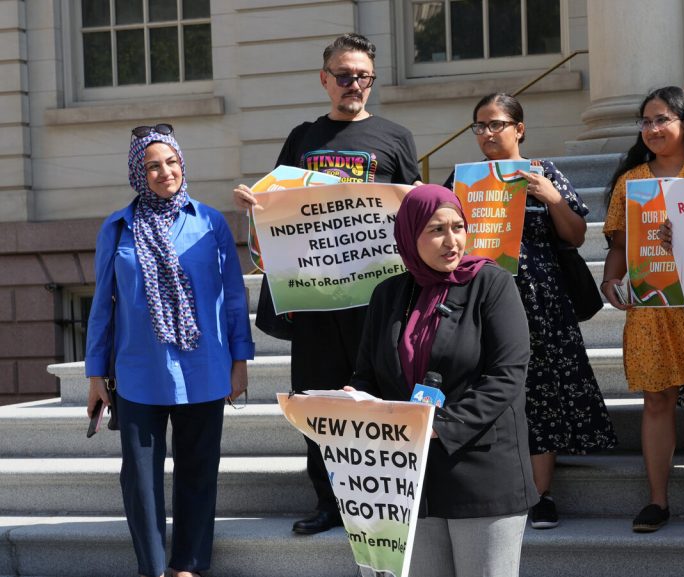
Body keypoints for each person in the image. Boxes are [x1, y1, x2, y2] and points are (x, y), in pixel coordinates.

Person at [233, 33, 422, 535]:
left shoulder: (395, 137)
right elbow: (278, 207)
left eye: (361, 76)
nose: (352, 84)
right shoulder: (303, 137)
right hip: (315, 299)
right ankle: (328, 502)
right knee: (316, 399)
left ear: (371, 80)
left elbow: (417, 211)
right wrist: (256, 208)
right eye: (343, 75)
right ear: (324, 80)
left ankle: (384, 499)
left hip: (379, 300)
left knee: (380, 396)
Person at [85, 125, 254, 577]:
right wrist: (95, 373)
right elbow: (103, 304)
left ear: (183, 164)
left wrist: (240, 361)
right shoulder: (117, 227)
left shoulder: (209, 222)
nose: (165, 172)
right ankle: (153, 567)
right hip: (140, 372)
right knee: (140, 479)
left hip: (205, 367)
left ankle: (190, 566)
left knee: (199, 471)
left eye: (172, 162)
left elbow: (233, 298)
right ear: (138, 175)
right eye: (153, 166)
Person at [442, 93, 617, 530]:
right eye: (479, 126)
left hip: (540, 302)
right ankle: (495, 488)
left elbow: (576, 236)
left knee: (542, 394)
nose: (487, 133)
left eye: (496, 124)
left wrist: (551, 197)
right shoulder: (462, 180)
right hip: (478, 303)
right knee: (484, 392)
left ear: (519, 128)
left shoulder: (543, 172)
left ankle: (540, 496)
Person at [347, 184, 536, 577]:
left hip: (481, 472)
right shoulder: (388, 294)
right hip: (408, 480)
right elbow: (368, 374)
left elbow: (507, 375)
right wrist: (355, 401)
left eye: (458, 227)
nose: (452, 241)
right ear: (409, 235)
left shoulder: (492, 284)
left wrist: (439, 426)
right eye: (436, 229)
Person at [602, 86, 684, 534]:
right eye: (646, 121)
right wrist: (608, 280)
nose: (653, 129)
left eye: (662, 119)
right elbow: (619, 245)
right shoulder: (630, 182)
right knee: (656, 400)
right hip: (651, 307)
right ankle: (656, 501)